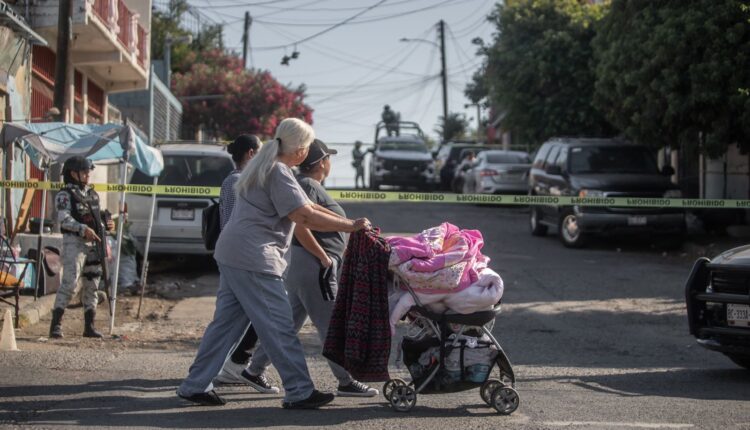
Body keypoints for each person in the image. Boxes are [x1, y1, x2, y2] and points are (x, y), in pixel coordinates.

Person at [176, 118, 372, 409]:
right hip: (254, 258)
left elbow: (308, 207)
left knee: (225, 326)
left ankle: (194, 386)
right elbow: (304, 216)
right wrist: (351, 226)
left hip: (234, 254)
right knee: (279, 327)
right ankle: (300, 391)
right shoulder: (278, 170)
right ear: (302, 150)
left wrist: (348, 223)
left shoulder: (266, 166)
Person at [246, 139, 378, 398]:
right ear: (321, 162)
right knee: (330, 324)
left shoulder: (309, 185)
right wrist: (323, 257)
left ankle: (253, 369)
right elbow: (301, 223)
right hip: (313, 263)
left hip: (306, 265)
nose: (330, 163)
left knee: (290, 323)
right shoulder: (307, 184)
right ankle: (345, 380)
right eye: (328, 158)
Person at [213, 134, 264, 386]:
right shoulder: (237, 182)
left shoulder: (235, 180)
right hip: (238, 257)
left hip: (232, 256)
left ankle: (221, 366)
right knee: (242, 315)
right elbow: (237, 222)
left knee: (229, 316)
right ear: (252, 153)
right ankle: (232, 366)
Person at [49, 156, 115, 339]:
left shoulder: (91, 194)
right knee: (70, 283)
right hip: (75, 243)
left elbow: (95, 215)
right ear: (73, 173)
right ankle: (55, 325)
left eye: (88, 171)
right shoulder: (65, 194)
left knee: (92, 284)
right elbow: (64, 218)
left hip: (94, 244)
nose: (88, 174)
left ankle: (89, 326)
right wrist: (83, 229)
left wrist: (106, 222)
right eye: (84, 171)